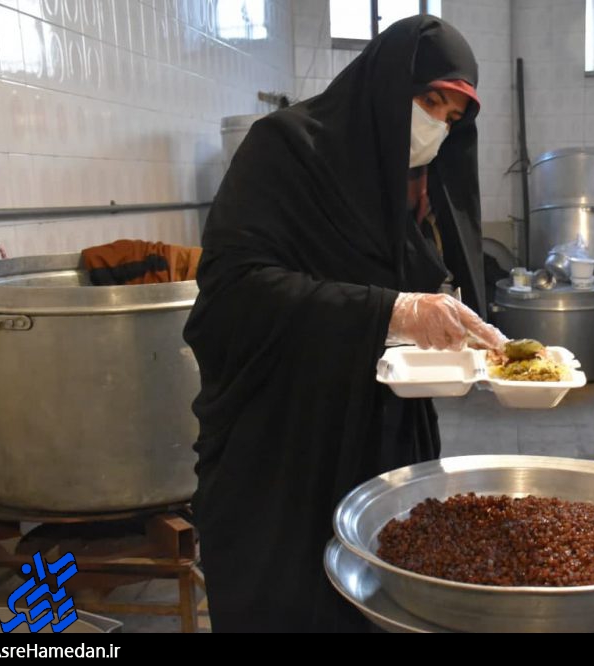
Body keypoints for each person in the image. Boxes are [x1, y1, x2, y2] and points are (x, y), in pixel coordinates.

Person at [183, 15, 505, 632]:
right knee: (285, 599)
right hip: (282, 439)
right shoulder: (285, 148)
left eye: (452, 119)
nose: (436, 128)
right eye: (429, 102)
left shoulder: (401, 184)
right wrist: (393, 311)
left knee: (376, 599)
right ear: (384, 84)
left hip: (376, 434)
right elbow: (234, 291)